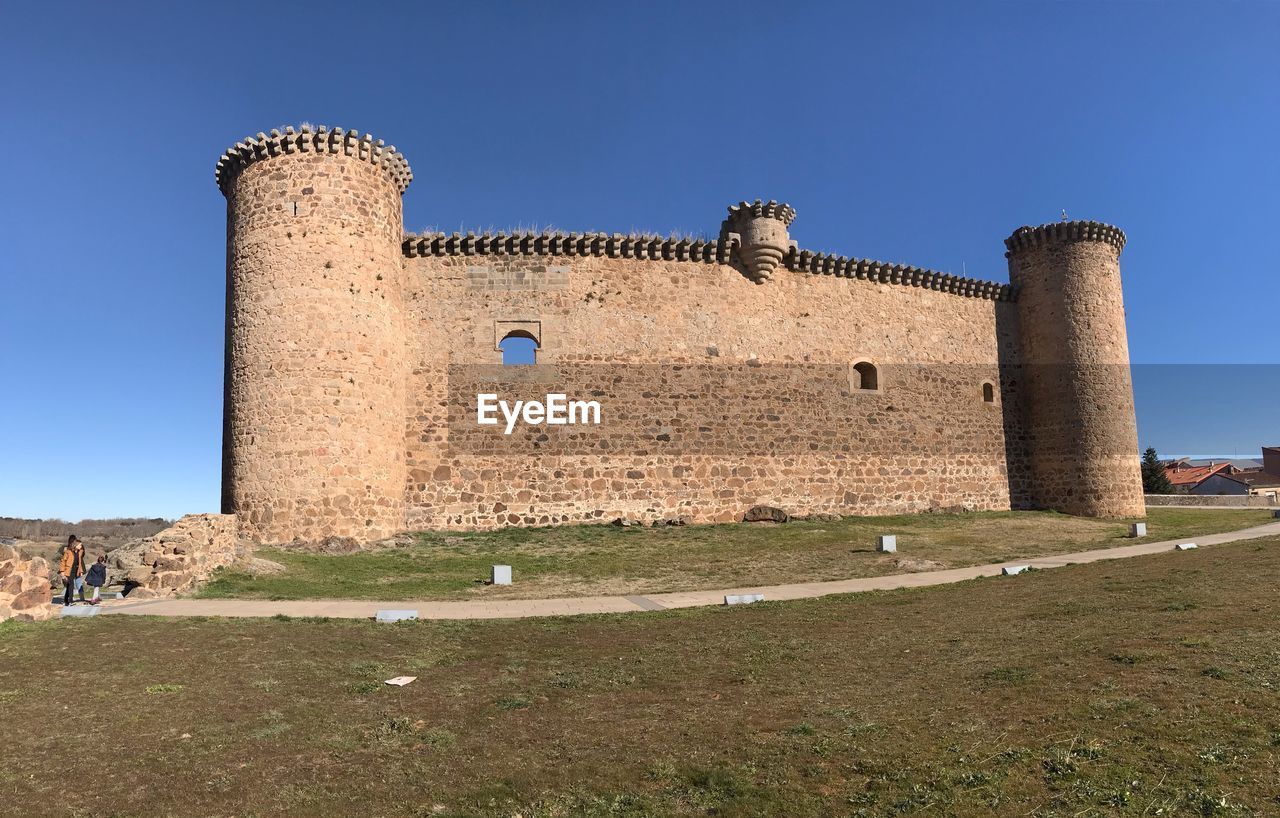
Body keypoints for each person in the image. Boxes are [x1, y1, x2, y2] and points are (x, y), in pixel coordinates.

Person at [58, 535, 87, 606]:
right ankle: (70, 600)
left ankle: (66, 600)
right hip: (68, 571)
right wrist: (62, 572)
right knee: (71, 585)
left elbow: (80, 563)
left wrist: (80, 571)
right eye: (80, 545)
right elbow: (63, 562)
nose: (81, 546)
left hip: (76, 571)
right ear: (76, 545)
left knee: (69, 586)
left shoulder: (79, 552)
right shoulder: (68, 552)